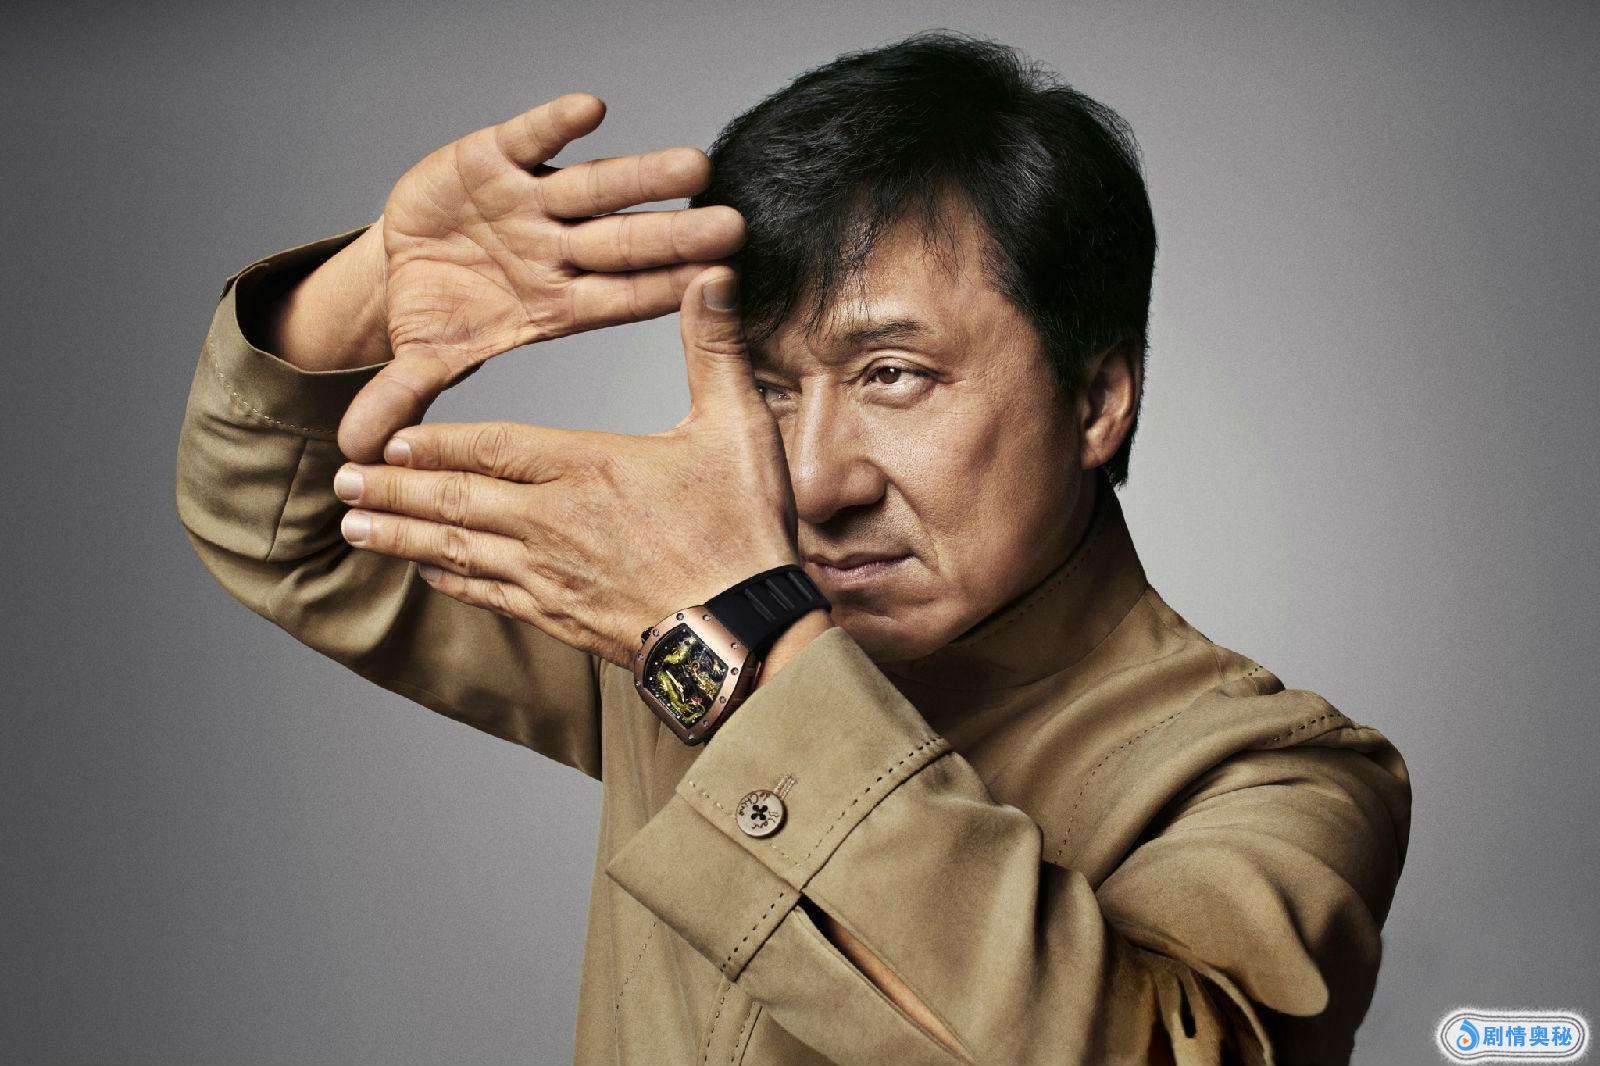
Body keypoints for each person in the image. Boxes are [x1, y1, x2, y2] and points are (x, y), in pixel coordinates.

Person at [175, 31, 1411, 1065]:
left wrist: (751, 653)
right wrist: (373, 291)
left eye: (894, 373)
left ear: (1096, 400)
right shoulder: (672, 623)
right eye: (768, 386)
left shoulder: (1271, 771)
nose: (814, 480)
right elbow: (284, 532)